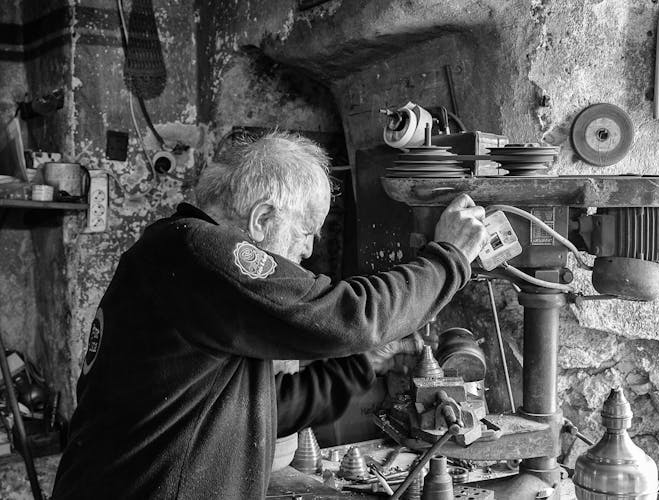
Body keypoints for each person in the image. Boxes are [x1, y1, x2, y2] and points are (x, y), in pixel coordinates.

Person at [51, 131, 488, 499]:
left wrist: (363, 363)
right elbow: (349, 316)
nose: (308, 250)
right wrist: (447, 259)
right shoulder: (197, 250)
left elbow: (255, 412)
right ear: (261, 220)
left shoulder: (181, 264)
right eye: (304, 232)